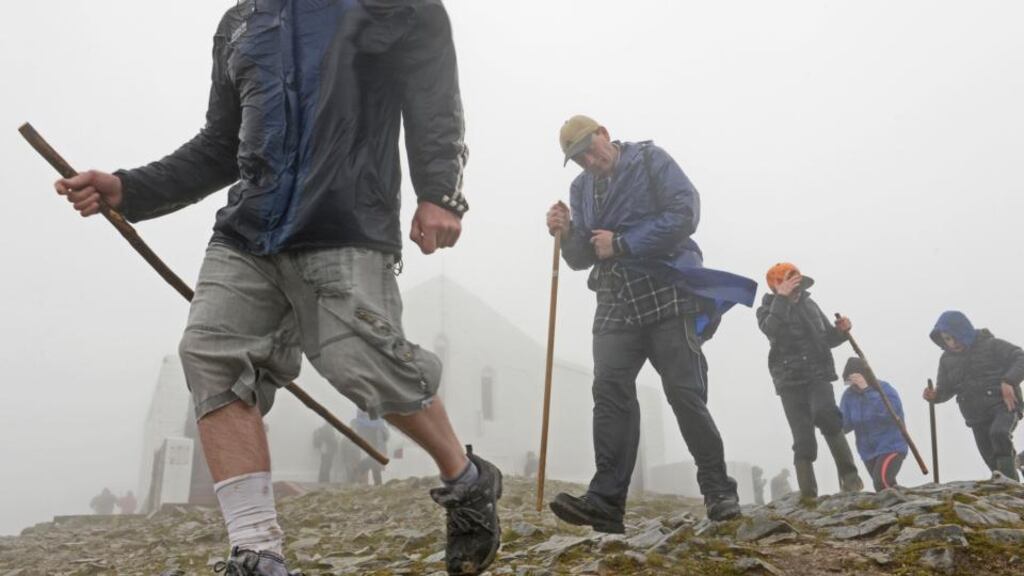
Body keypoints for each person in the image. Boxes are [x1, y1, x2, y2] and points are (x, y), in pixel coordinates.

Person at [54, 2, 500, 574]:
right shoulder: (239, 24)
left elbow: (434, 99)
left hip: (345, 220)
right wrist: (129, 188)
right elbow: (221, 144)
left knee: (361, 363)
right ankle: (256, 550)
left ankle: (466, 481)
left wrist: (440, 191)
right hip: (247, 231)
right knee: (211, 354)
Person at [545, 115, 757, 532]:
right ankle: (606, 502)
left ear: (604, 134)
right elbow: (581, 257)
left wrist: (622, 242)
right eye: (578, 157)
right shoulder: (581, 188)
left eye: (590, 148)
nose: (588, 160)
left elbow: (685, 212)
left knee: (683, 393)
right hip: (614, 302)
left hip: (665, 291)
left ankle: (718, 490)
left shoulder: (650, 160)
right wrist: (567, 232)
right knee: (609, 393)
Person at [756, 263, 864, 499]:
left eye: (798, 284)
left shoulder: (809, 304)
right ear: (776, 286)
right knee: (802, 437)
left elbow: (827, 337)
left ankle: (851, 479)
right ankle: (808, 495)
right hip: (788, 380)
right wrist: (781, 299)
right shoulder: (766, 309)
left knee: (828, 416)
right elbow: (771, 330)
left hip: (818, 373)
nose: (796, 290)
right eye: (790, 284)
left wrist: (842, 331)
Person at [923, 311, 1023, 481]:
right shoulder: (946, 360)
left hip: (1004, 405)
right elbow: (945, 389)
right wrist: (934, 396)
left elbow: (1020, 358)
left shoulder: (992, 345)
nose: (952, 343)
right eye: (947, 339)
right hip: (975, 416)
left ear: (964, 331)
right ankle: (1009, 481)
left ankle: (1012, 488)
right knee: (990, 457)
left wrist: (1008, 381)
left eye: (954, 337)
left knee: (998, 434)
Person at [839, 358, 908, 491]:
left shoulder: (884, 389)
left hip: (891, 446)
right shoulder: (848, 396)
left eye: (856, 379)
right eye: (850, 381)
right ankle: (903, 507)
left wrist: (866, 390)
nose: (854, 384)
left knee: (881, 482)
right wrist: (829, 420)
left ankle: (898, 509)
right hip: (867, 452)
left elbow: (890, 413)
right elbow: (844, 425)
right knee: (886, 486)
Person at [353, 410, 390, 486]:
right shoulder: (376, 423)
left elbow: (385, 436)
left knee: (374, 460)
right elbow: (386, 436)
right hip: (372, 433)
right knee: (374, 459)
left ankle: (377, 482)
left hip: (371, 433)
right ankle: (361, 468)